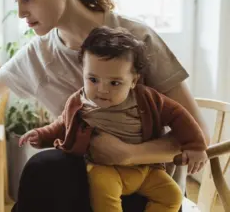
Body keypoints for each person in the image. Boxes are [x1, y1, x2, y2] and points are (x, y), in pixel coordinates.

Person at [0, 0, 210, 211]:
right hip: (88, 176)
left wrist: (129, 155)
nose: (21, 12)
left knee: (47, 170)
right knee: (46, 170)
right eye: (17, 1)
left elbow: (199, 133)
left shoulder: (135, 38)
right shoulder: (40, 53)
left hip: (149, 183)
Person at [19, 27, 208, 212]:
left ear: (133, 81)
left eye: (115, 83)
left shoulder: (147, 99)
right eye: (93, 79)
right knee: (104, 196)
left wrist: (195, 146)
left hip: (145, 170)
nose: (102, 90)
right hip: (104, 169)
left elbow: (179, 116)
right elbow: (62, 125)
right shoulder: (79, 102)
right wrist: (41, 136)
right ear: (83, 73)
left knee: (171, 196)